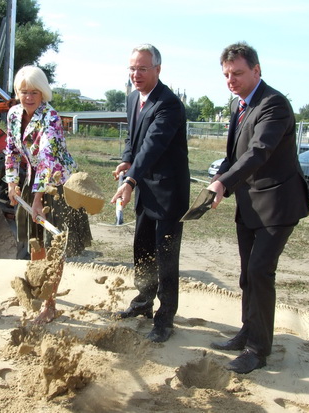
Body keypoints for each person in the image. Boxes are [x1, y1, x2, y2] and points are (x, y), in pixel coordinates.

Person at [207, 42, 309, 374]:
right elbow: (234, 157)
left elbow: (258, 151)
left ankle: (257, 350)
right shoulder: (239, 105)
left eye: (237, 73)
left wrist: (224, 183)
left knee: (259, 272)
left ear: (256, 70)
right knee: (246, 275)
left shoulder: (274, 104)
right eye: (226, 75)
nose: (231, 80)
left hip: (278, 205)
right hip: (249, 204)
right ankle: (248, 330)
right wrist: (218, 179)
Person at [111, 44, 190, 343]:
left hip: (169, 193)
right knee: (142, 248)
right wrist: (126, 160)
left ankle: (165, 318)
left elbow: (153, 145)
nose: (136, 74)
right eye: (132, 68)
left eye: (142, 68)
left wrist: (130, 179)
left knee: (166, 255)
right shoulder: (133, 98)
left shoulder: (169, 104)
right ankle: (143, 301)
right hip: (145, 188)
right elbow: (134, 140)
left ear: (158, 69)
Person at [4, 65, 92, 323]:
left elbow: (47, 159)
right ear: (18, 93)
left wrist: (38, 200)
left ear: (42, 92)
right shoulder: (13, 114)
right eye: (24, 92)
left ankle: (49, 304)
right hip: (34, 179)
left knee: (54, 246)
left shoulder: (50, 117)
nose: (29, 97)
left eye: (34, 92)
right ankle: (37, 289)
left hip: (57, 183)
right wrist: (12, 183)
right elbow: (11, 150)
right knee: (35, 241)